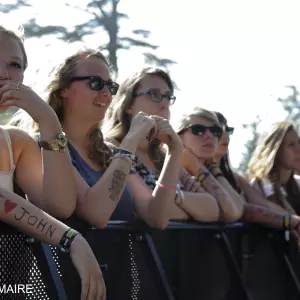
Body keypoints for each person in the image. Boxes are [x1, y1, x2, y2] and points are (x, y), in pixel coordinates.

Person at [0, 24, 105, 299]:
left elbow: (60, 204)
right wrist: (70, 239)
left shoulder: (15, 143)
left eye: (14, 64)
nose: (3, 75)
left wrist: (49, 122)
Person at [103, 67, 227, 222]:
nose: (164, 104)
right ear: (128, 104)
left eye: (168, 97)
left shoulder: (164, 156)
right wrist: (190, 211)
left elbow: (212, 209)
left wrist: (172, 197)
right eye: (153, 94)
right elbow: (156, 214)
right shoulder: (114, 149)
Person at [248, 121, 300, 215]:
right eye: (291, 145)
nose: (298, 150)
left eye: (299, 143)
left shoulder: (298, 183)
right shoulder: (260, 185)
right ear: (275, 151)